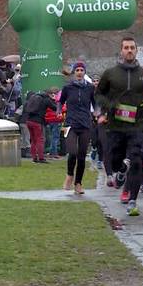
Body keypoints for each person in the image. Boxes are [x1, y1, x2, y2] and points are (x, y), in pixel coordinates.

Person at [96, 37, 143, 216]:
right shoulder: (110, 73)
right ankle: (119, 172)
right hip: (115, 126)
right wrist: (108, 106)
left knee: (137, 160)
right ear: (121, 51)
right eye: (126, 48)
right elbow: (98, 94)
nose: (129, 50)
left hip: (137, 125)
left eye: (132, 48)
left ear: (136, 51)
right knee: (115, 161)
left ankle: (132, 200)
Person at [60, 61, 96, 195]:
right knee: (72, 152)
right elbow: (61, 101)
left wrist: (97, 113)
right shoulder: (68, 88)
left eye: (82, 70)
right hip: (70, 124)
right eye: (77, 70)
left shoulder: (90, 88)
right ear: (74, 73)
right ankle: (69, 175)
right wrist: (59, 110)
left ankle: (78, 183)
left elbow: (94, 103)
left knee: (81, 156)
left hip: (85, 124)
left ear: (84, 72)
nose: (80, 72)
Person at [25, 87, 58, 163]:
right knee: (40, 139)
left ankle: (34, 158)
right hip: (37, 122)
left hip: (29, 120)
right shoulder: (46, 100)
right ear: (49, 94)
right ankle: (41, 158)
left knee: (33, 140)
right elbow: (55, 108)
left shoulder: (35, 97)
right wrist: (53, 99)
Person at [45, 90, 64, 159]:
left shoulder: (47, 101)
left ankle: (51, 152)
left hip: (49, 121)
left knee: (51, 137)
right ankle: (54, 153)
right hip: (56, 120)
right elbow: (63, 108)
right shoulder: (58, 102)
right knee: (55, 137)